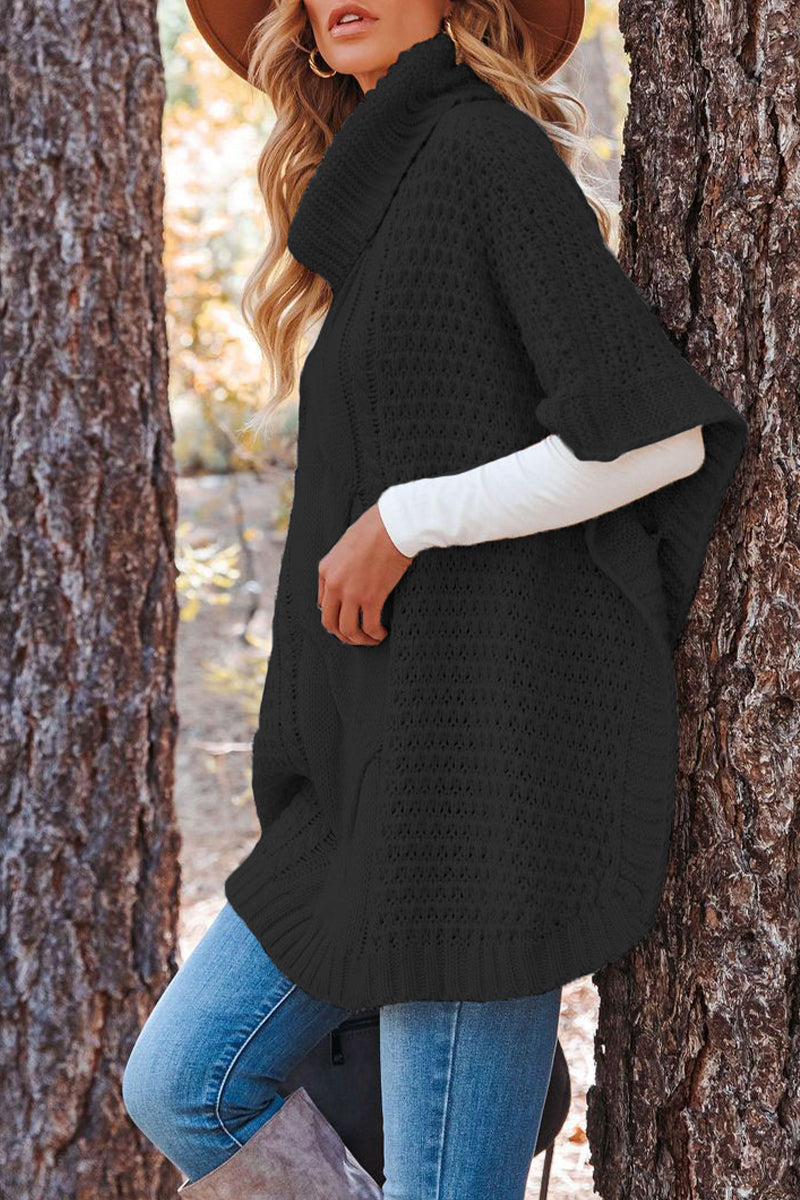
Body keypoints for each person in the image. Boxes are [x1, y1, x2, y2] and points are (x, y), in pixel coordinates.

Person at [122, 2, 749, 1198]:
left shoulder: (480, 149)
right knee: (182, 1081)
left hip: (478, 778)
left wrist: (408, 521)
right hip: (382, 768)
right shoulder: (381, 193)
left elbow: (652, 437)